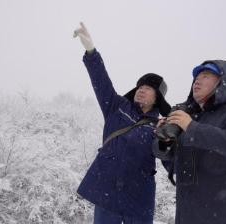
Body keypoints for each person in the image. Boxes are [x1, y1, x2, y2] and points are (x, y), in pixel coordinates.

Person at [73, 22, 171, 223]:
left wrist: (167, 138)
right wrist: (91, 51)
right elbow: (101, 80)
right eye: (140, 86)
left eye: (148, 88)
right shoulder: (116, 108)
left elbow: (170, 162)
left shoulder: (160, 125)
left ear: (157, 98)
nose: (141, 89)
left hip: (139, 199)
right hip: (107, 194)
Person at [153, 60, 226, 224]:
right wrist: (165, 141)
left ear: (222, 82)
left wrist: (191, 128)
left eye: (205, 76)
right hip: (187, 217)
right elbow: (175, 166)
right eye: (196, 77)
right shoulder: (188, 118)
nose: (197, 80)